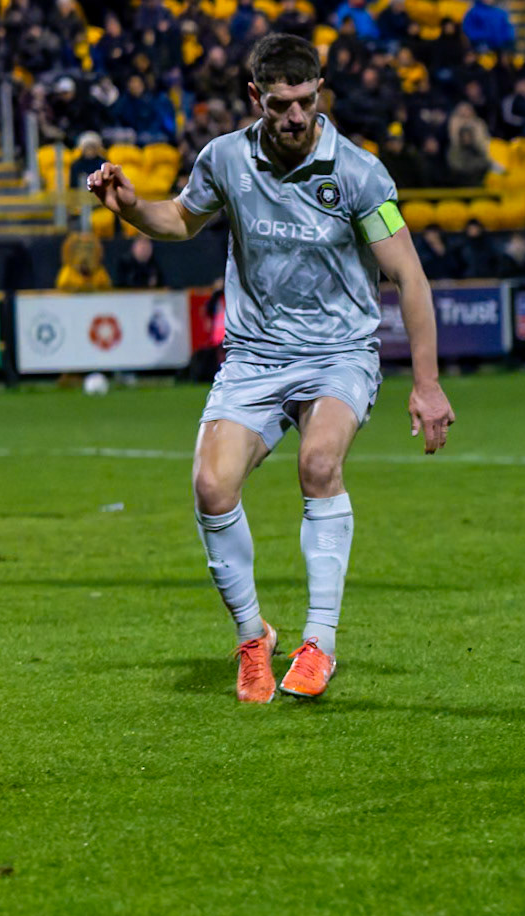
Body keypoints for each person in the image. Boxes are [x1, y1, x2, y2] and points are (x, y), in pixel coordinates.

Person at [86, 34, 456, 704]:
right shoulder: (225, 159)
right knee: (210, 486)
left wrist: (426, 384)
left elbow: (409, 275)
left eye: (307, 101)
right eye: (281, 103)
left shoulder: (359, 172)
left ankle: (319, 642)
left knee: (318, 465)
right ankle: (254, 636)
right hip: (255, 356)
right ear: (256, 98)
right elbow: (178, 219)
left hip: (339, 353)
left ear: (321, 94)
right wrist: (134, 207)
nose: (295, 116)